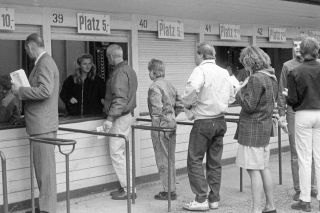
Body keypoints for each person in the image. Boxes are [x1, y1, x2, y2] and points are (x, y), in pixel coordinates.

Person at [182, 42, 234, 211]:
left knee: (194, 160)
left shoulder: (200, 70)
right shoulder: (224, 72)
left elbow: (191, 91)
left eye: (195, 55)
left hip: (203, 121)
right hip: (220, 120)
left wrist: (188, 106)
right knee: (215, 162)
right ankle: (214, 199)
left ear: (200, 55)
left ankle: (200, 198)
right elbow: (233, 94)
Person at [11, 33, 59, 213]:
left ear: (30, 46)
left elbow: (45, 91)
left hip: (42, 127)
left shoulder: (44, 63)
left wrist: (20, 91)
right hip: (42, 124)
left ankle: (47, 210)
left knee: (45, 173)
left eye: (27, 49)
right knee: (44, 172)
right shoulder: (44, 62)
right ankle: (47, 208)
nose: (28, 53)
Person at [235, 46, 277, 213]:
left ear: (249, 62)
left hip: (252, 130)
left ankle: (255, 210)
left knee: (253, 171)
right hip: (265, 129)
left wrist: (238, 92)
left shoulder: (256, 79)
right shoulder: (271, 77)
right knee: (264, 168)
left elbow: (249, 106)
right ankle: (270, 206)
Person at [278, 38, 317, 202]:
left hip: (306, 111)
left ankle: (312, 188)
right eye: (294, 45)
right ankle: (300, 188)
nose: (296, 49)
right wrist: (281, 114)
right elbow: (281, 91)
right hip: (294, 111)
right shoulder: (288, 66)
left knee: (314, 152)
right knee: (296, 152)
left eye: (299, 46)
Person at [288, 37, 320, 212]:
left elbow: (292, 99)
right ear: (317, 51)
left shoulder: (295, 71)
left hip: (303, 114)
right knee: (319, 157)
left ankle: (305, 200)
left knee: (304, 158)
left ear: (301, 52)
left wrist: (288, 97)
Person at [102, 44, 138, 200]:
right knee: (123, 154)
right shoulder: (130, 70)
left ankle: (128, 189)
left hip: (119, 118)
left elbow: (120, 98)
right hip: (127, 116)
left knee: (117, 154)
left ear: (110, 56)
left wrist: (110, 118)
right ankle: (129, 187)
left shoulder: (118, 73)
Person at [147, 59, 183, 200]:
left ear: (153, 72)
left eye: (149, 71)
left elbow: (156, 110)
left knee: (162, 159)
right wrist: (172, 117)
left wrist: (158, 125)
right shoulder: (170, 84)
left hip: (161, 127)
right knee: (171, 158)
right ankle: (172, 188)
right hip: (172, 124)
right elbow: (180, 104)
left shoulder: (154, 87)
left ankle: (168, 191)